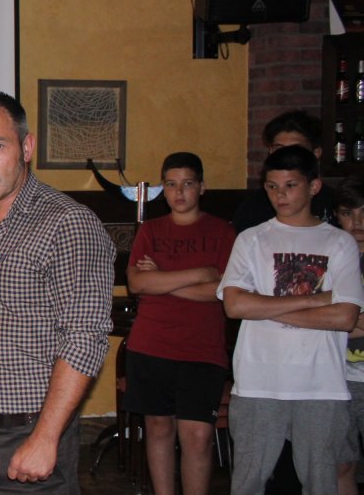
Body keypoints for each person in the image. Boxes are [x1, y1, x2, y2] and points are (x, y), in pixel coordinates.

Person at [0, 91, 114, 493]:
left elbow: (84, 339)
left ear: (26, 147)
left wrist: (45, 438)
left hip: (26, 436)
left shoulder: (67, 225)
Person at [217, 145, 364, 495]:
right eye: (272, 186)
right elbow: (236, 306)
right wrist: (315, 299)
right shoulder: (251, 239)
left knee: (321, 483)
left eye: (290, 185)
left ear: (313, 187)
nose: (280, 195)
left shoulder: (339, 242)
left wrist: (267, 307)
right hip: (257, 381)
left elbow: (345, 316)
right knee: (248, 482)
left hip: (321, 384)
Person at [124, 152, 236, 495]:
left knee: (198, 436)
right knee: (158, 428)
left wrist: (163, 280)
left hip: (202, 350)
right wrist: (200, 274)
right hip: (151, 345)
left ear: (202, 187)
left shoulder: (222, 231)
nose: (179, 192)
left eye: (187, 183)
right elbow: (138, 284)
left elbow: (221, 291)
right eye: (171, 185)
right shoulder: (151, 231)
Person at [233, 110, 334, 232]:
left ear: (316, 153)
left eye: (296, 150)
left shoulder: (334, 202)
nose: (287, 156)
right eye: (279, 149)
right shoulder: (254, 206)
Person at [333, 179, 364, 495]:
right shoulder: (330, 259)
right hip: (335, 377)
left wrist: (342, 320)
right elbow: (318, 320)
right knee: (340, 465)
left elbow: (338, 320)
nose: (357, 224)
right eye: (347, 213)